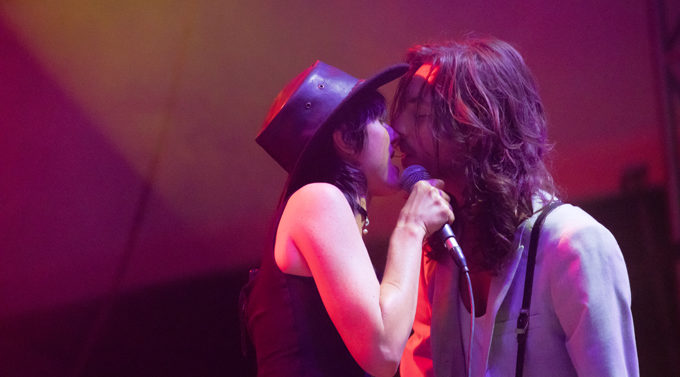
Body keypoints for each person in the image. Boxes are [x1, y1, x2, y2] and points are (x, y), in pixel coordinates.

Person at [391, 37, 639, 377]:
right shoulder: (439, 250)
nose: (398, 129)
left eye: (421, 114)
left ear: (479, 127)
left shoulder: (574, 244)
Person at [243, 60, 454, 377]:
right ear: (344, 138)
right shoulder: (318, 198)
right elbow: (383, 352)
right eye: (380, 121)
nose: (394, 134)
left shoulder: (320, 205)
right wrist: (412, 227)